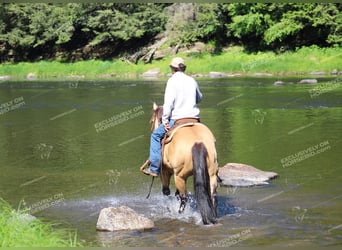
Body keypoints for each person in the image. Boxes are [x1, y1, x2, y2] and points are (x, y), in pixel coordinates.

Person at [142, 57, 203, 177]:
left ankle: (154, 168)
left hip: (178, 119)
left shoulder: (172, 81)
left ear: (172, 68)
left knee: (155, 136)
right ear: (183, 68)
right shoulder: (192, 80)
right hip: (195, 119)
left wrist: (164, 120)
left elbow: (168, 104)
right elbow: (199, 98)